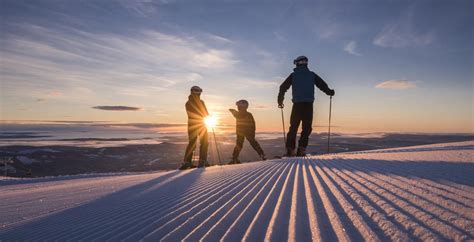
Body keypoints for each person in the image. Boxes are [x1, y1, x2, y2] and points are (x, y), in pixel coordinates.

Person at [278, 55, 335, 156]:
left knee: (293, 128)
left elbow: (283, 87)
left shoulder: (293, 75)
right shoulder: (312, 75)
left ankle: (290, 150)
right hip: (308, 106)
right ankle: (302, 150)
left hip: (297, 105)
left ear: (297, 63)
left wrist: (280, 100)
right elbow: (322, 85)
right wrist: (329, 92)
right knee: (307, 128)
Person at [180, 86, 210, 169]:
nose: (198, 92)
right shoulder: (200, 102)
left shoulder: (188, 102)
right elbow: (205, 113)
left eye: (199, 91)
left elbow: (193, 114)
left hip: (192, 125)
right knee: (204, 142)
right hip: (200, 124)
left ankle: (187, 162)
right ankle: (202, 161)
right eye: (197, 91)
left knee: (192, 143)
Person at [228, 100, 266, 164]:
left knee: (240, 144)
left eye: (239, 106)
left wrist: (232, 111)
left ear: (243, 107)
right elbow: (253, 124)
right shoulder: (248, 114)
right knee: (252, 143)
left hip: (242, 132)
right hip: (246, 132)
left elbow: (238, 116)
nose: (238, 107)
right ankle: (262, 155)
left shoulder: (242, 114)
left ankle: (234, 158)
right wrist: (253, 132)